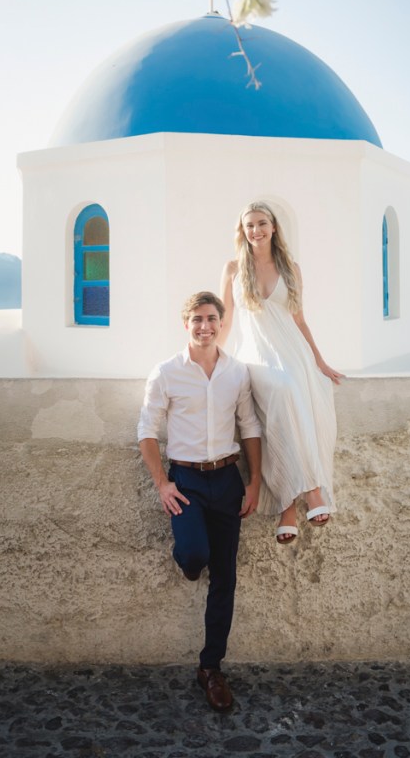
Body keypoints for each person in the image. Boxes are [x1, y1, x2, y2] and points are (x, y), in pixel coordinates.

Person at [138, 290, 262, 713]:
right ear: (185, 324)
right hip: (186, 480)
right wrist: (162, 483)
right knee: (194, 553)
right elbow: (146, 430)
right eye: (197, 319)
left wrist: (255, 481)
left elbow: (249, 427)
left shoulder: (237, 372)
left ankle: (211, 669)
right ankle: (192, 565)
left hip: (227, 479)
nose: (205, 326)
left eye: (212, 318)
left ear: (221, 323)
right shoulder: (167, 372)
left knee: (225, 576)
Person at [219, 202, 341, 545]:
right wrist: (212, 360)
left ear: (273, 228)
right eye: (248, 226)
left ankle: (288, 506)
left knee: (299, 391)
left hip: (293, 353)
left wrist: (319, 361)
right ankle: (312, 490)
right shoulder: (232, 269)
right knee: (284, 390)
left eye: (261, 223)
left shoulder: (291, 269)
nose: (255, 230)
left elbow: (299, 319)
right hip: (257, 356)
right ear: (242, 232)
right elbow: (226, 320)